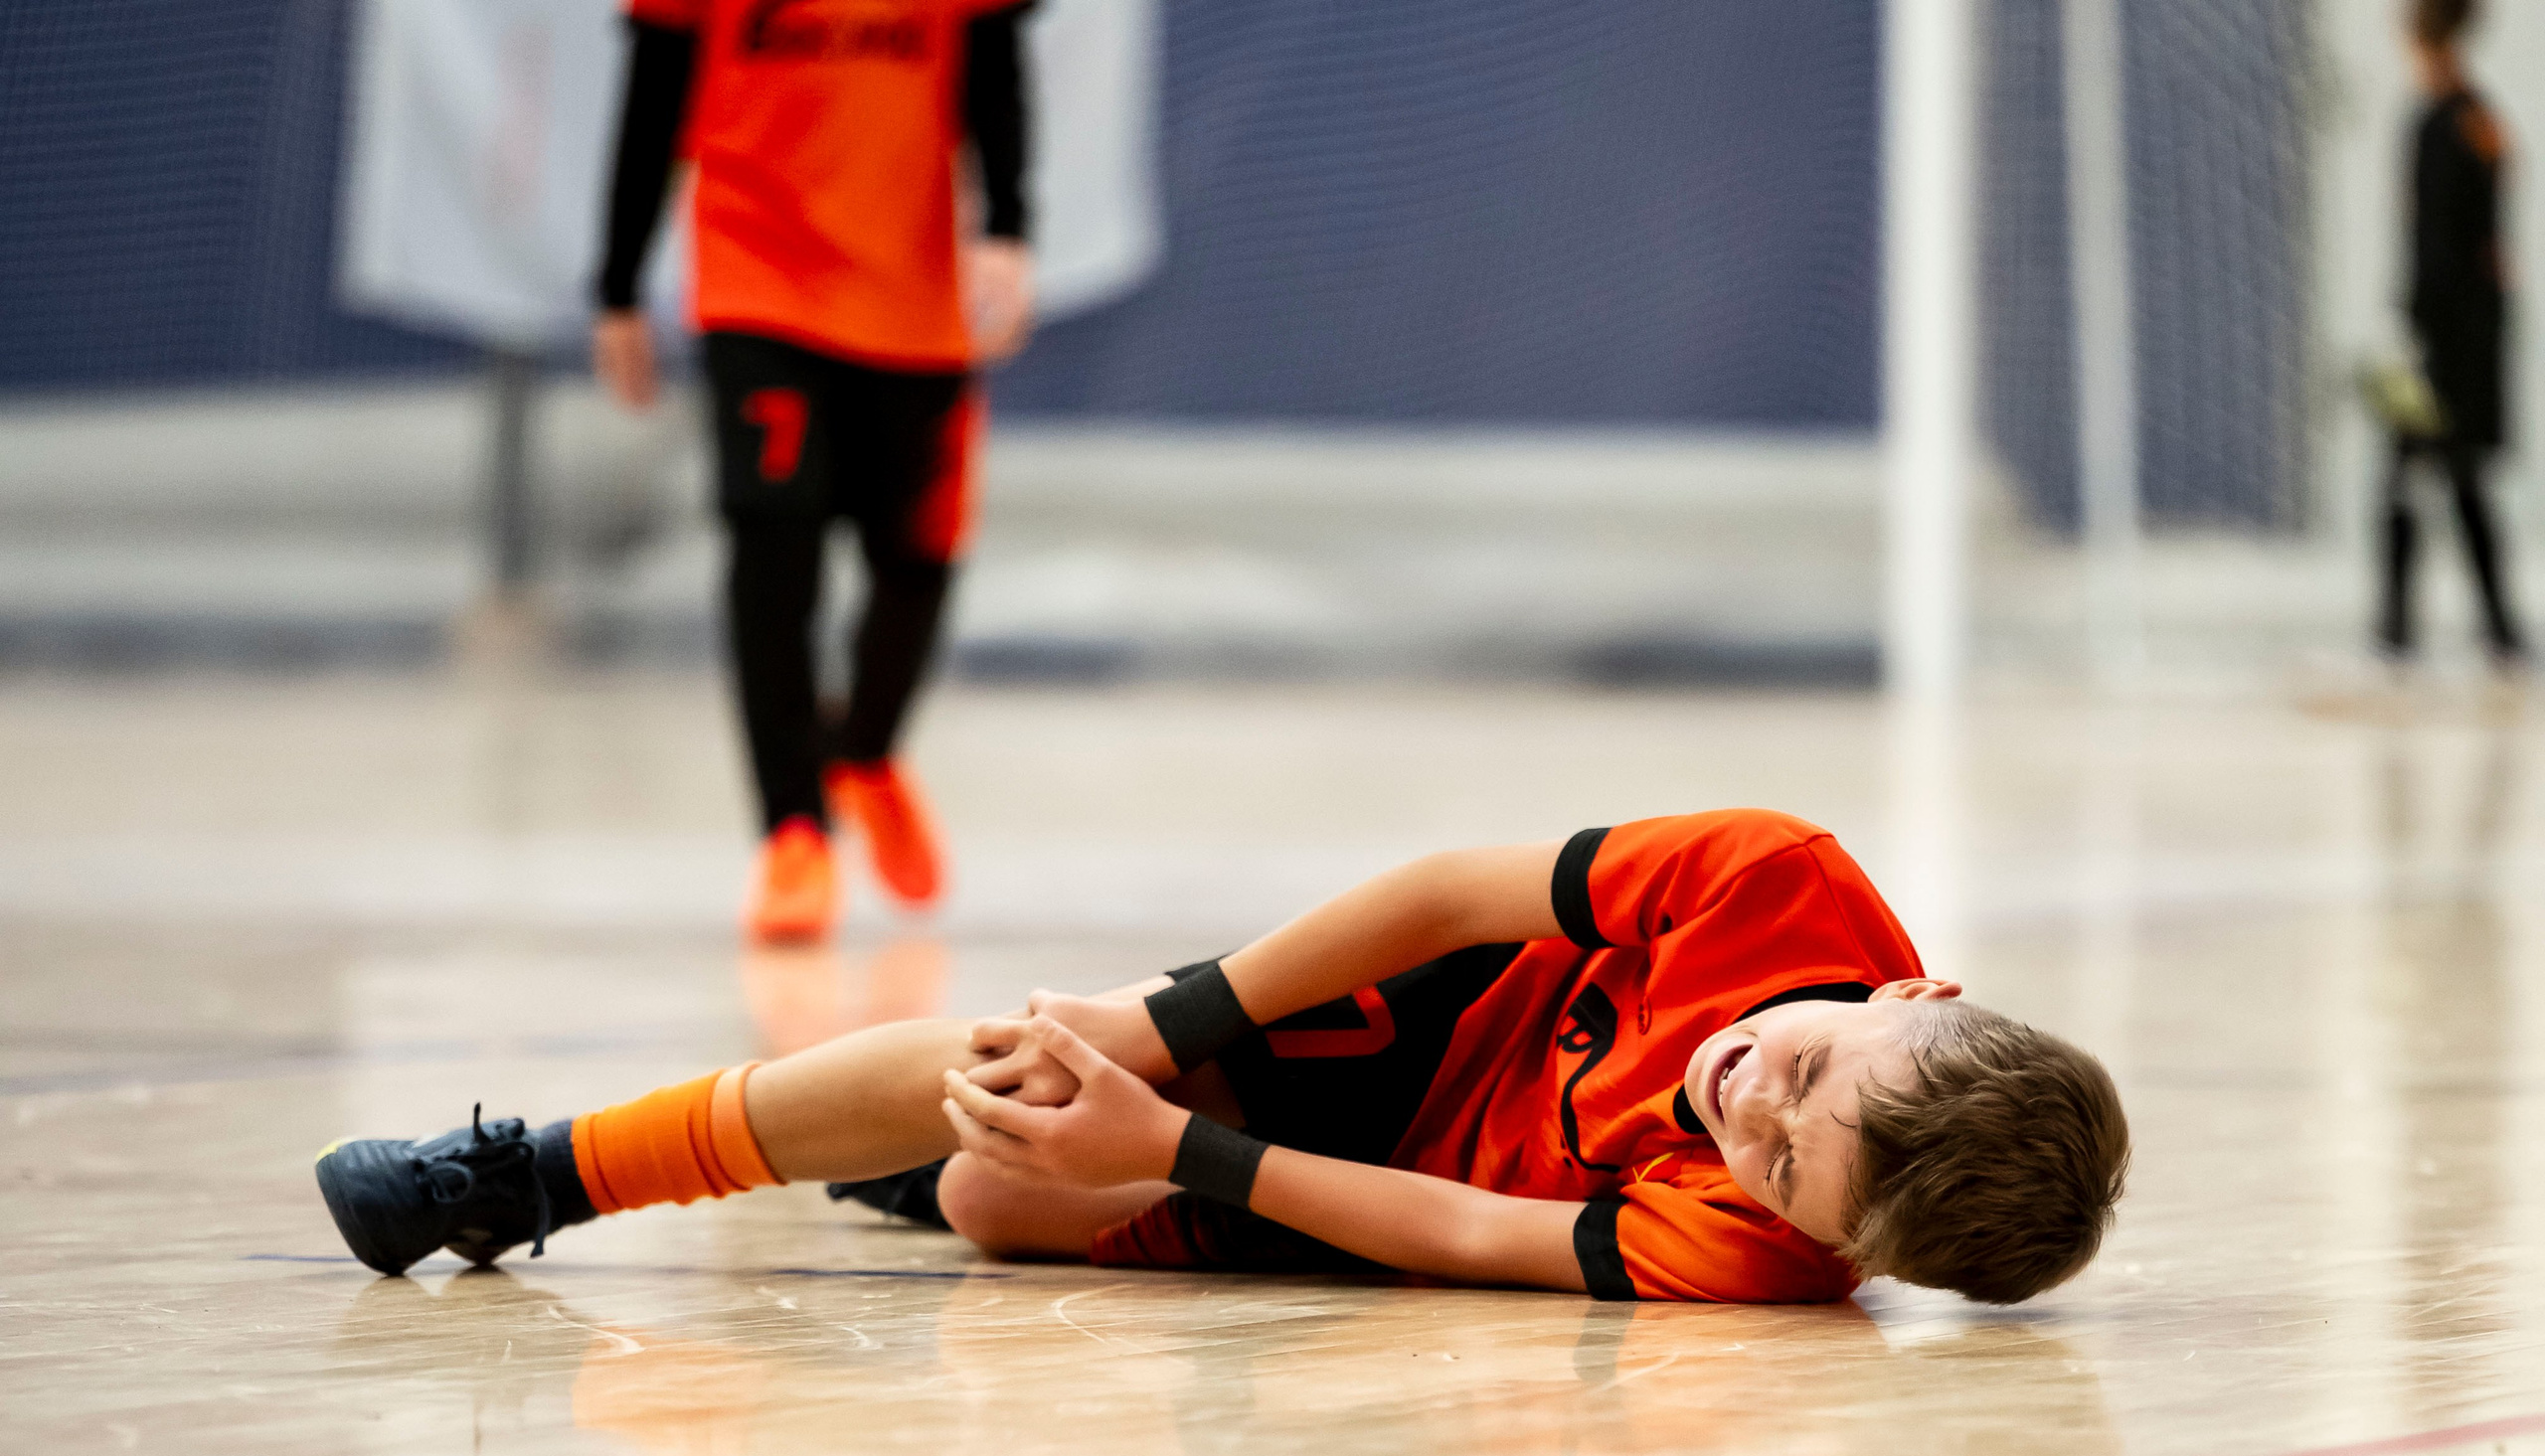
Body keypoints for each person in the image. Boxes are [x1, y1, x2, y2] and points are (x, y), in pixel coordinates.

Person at [314, 810, 2130, 1306]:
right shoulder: (1775, 879)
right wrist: (1161, 1032)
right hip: (1430, 1008)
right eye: (1807, 1076)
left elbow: (1476, 1241)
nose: (1753, 1109)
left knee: (990, 1197)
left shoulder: (1770, 1252)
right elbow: (1442, 889)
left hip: (1401, 1181)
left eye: (1788, 1165)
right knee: (1025, 1069)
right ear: (1907, 995)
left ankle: (895, 1165)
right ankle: (538, 1172)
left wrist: (1179, 1156)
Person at [592, 0, 1039, 942]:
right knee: (773, 543)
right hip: (762, 279)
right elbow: (654, 88)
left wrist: (1007, 224)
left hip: (913, 294)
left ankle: (866, 751)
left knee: (919, 554)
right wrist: (619, 285)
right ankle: (793, 828)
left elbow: (993, 62)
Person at [2379, 0, 2524, 669]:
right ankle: (2470, 630)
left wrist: (2420, 330)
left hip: (2443, 342)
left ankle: (2409, 634)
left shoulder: (2454, 125)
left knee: (2430, 477)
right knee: (2428, 477)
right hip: (2448, 335)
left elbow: (2448, 249)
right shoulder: (2473, 120)